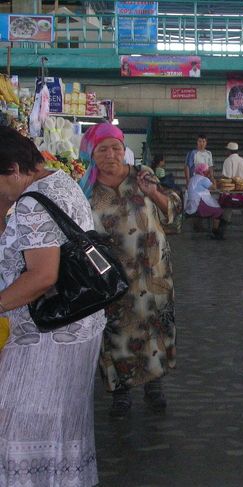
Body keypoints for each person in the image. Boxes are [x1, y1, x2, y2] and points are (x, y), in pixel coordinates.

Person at [0, 126, 106, 486]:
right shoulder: (60, 182)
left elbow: (42, 276)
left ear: (13, 169)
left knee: (20, 422)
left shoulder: (32, 202)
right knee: (61, 424)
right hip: (76, 326)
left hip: (45, 335)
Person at [78, 123, 182, 417]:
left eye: (116, 148)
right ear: (92, 154)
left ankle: (154, 385)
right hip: (111, 279)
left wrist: (156, 194)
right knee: (114, 333)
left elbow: (174, 214)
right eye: (103, 149)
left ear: (125, 151)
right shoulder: (85, 190)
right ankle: (120, 393)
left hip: (153, 274)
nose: (111, 154)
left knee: (154, 328)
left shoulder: (143, 177)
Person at [185, 163, 224, 240]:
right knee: (219, 211)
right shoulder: (203, 179)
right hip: (198, 204)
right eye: (207, 171)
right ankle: (215, 231)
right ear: (203, 171)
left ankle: (201, 227)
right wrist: (212, 177)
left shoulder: (193, 178)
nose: (208, 172)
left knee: (214, 205)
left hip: (192, 204)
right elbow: (214, 188)